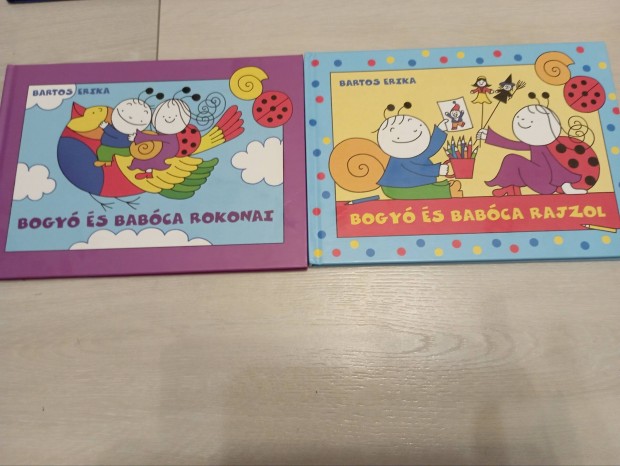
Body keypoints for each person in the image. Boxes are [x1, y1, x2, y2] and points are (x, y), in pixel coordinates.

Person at [477, 104, 585, 196]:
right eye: (520, 118)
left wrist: (566, 185)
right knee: (512, 159)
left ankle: (509, 187)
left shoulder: (543, 145)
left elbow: (556, 166)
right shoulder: (536, 143)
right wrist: (489, 136)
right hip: (538, 178)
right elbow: (513, 145)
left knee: (512, 159)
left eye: (531, 120)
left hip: (542, 182)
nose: (522, 121)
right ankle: (510, 188)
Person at [377, 105, 462, 199]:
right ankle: (448, 192)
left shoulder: (415, 150)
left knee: (431, 188)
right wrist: (437, 170)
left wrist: (441, 129)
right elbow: (418, 168)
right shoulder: (401, 156)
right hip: (397, 187)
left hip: (415, 184)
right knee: (428, 191)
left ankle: (446, 189)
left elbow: (430, 148)